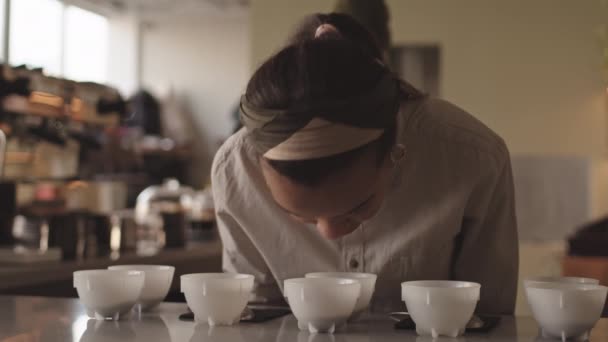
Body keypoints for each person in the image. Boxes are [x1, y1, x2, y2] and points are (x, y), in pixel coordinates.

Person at [212, 13, 518, 315]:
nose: (330, 232)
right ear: (260, 168)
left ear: (395, 151)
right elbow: (254, 316)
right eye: (300, 216)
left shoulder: (474, 159)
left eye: (358, 205)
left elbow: (488, 319)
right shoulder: (236, 171)